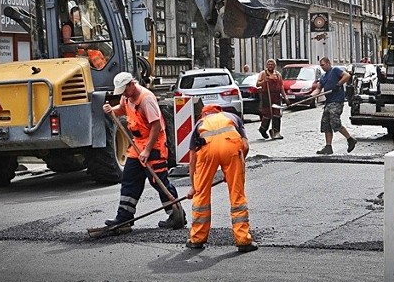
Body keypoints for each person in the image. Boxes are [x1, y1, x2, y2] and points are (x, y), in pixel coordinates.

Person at [102, 72, 186, 229]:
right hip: (137, 145)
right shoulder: (126, 96)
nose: (124, 94)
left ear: (132, 84)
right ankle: (124, 218)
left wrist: (147, 151)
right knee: (129, 179)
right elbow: (122, 109)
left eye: (125, 90)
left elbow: (156, 126)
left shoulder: (146, 99)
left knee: (158, 181)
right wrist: (111, 110)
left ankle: (176, 215)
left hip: (154, 146)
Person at [185, 104, 257, 253]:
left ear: (204, 115)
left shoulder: (200, 124)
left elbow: (192, 160)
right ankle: (243, 240)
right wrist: (233, 168)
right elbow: (245, 145)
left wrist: (194, 186)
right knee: (237, 195)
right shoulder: (232, 118)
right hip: (231, 148)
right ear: (219, 112)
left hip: (207, 151)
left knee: (201, 194)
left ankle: (197, 239)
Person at [310, 57, 357, 155]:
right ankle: (328, 147)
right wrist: (311, 96)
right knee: (326, 124)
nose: (322, 67)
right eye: (321, 65)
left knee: (335, 122)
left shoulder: (335, 71)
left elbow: (347, 76)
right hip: (328, 102)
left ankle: (350, 139)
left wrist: (338, 84)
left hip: (337, 101)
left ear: (328, 63)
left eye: (323, 65)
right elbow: (318, 89)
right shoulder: (323, 77)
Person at [256, 58, 288, 140]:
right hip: (266, 96)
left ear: (275, 66)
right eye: (269, 64)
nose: (270, 66)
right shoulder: (263, 74)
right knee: (267, 114)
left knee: (277, 114)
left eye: (272, 64)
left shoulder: (278, 74)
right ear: (267, 65)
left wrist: (285, 97)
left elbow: (281, 86)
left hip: (276, 96)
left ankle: (276, 132)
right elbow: (257, 84)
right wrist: (264, 81)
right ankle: (263, 129)